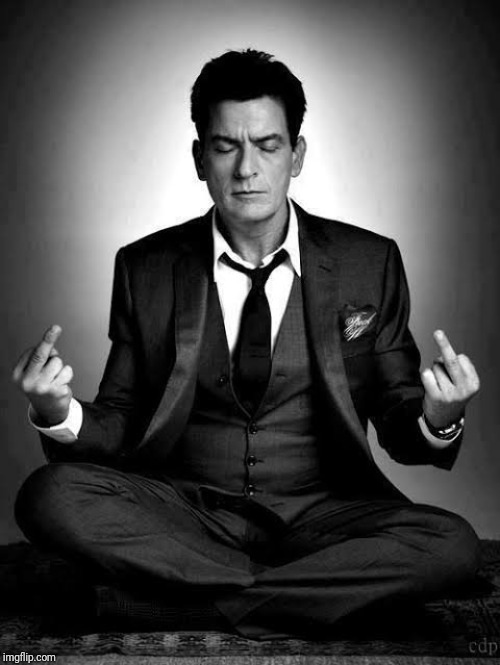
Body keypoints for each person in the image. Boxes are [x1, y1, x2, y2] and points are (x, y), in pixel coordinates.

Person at [12, 49, 481, 640]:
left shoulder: (369, 261)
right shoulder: (145, 267)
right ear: (199, 158)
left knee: (450, 545)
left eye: (267, 145)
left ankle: (190, 603)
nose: (246, 170)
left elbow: (397, 417)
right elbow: (123, 418)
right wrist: (56, 411)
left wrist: (438, 417)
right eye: (225, 147)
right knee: (47, 497)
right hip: (187, 514)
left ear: (297, 155)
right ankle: (304, 596)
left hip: (324, 514)